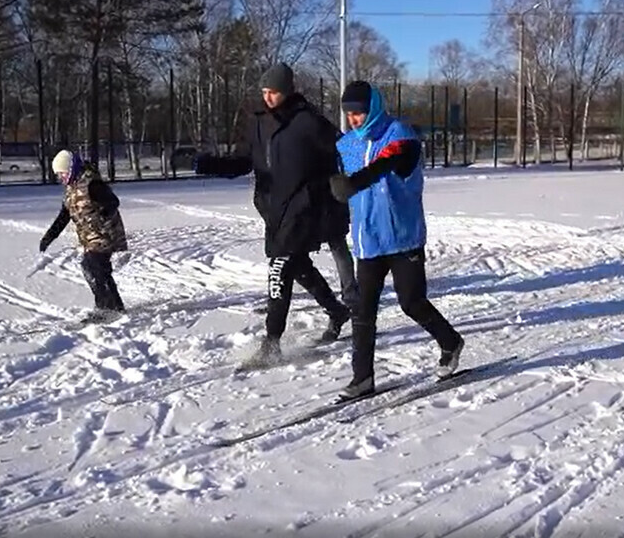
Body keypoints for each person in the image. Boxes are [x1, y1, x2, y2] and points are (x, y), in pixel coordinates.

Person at [194, 62, 351, 369]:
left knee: (279, 269)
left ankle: (271, 343)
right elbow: (243, 162)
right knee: (299, 267)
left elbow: (345, 149)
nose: (267, 98)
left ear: (288, 91)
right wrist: (212, 164)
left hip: (303, 208)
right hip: (272, 209)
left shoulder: (309, 122)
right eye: (264, 92)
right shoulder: (258, 123)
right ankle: (337, 311)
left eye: (274, 92)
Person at [329, 80, 465, 400]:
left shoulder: (401, 135)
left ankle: (450, 342)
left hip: (403, 239)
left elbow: (389, 162)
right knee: (363, 312)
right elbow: (330, 177)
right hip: (368, 240)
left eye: (359, 113)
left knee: (411, 302)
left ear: (373, 108)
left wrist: (355, 182)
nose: (353, 120)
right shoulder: (346, 145)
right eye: (349, 114)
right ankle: (362, 378)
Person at [39, 149, 128, 321]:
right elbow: (64, 216)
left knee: (92, 267)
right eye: (59, 176)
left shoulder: (91, 184)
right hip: (91, 237)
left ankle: (104, 309)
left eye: (63, 174)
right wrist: (49, 237)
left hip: (104, 234)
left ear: (72, 168)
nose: (62, 179)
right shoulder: (71, 190)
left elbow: (113, 201)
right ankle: (116, 306)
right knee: (98, 270)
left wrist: (105, 211)